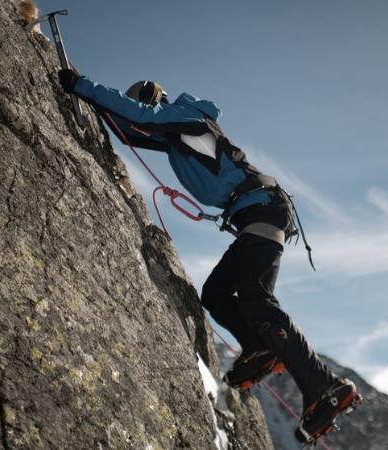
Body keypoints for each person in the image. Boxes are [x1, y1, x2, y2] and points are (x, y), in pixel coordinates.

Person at [58, 68, 362, 442]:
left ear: (153, 100)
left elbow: (139, 118)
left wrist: (80, 84)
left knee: (256, 297)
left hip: (262, 210)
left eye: (143, 103)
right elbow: (129, 129)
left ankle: (326, 387)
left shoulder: (188, 119)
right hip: (256, 213)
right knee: (216, 294)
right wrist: (91, 102)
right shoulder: (177, 135)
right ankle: (260, 347)